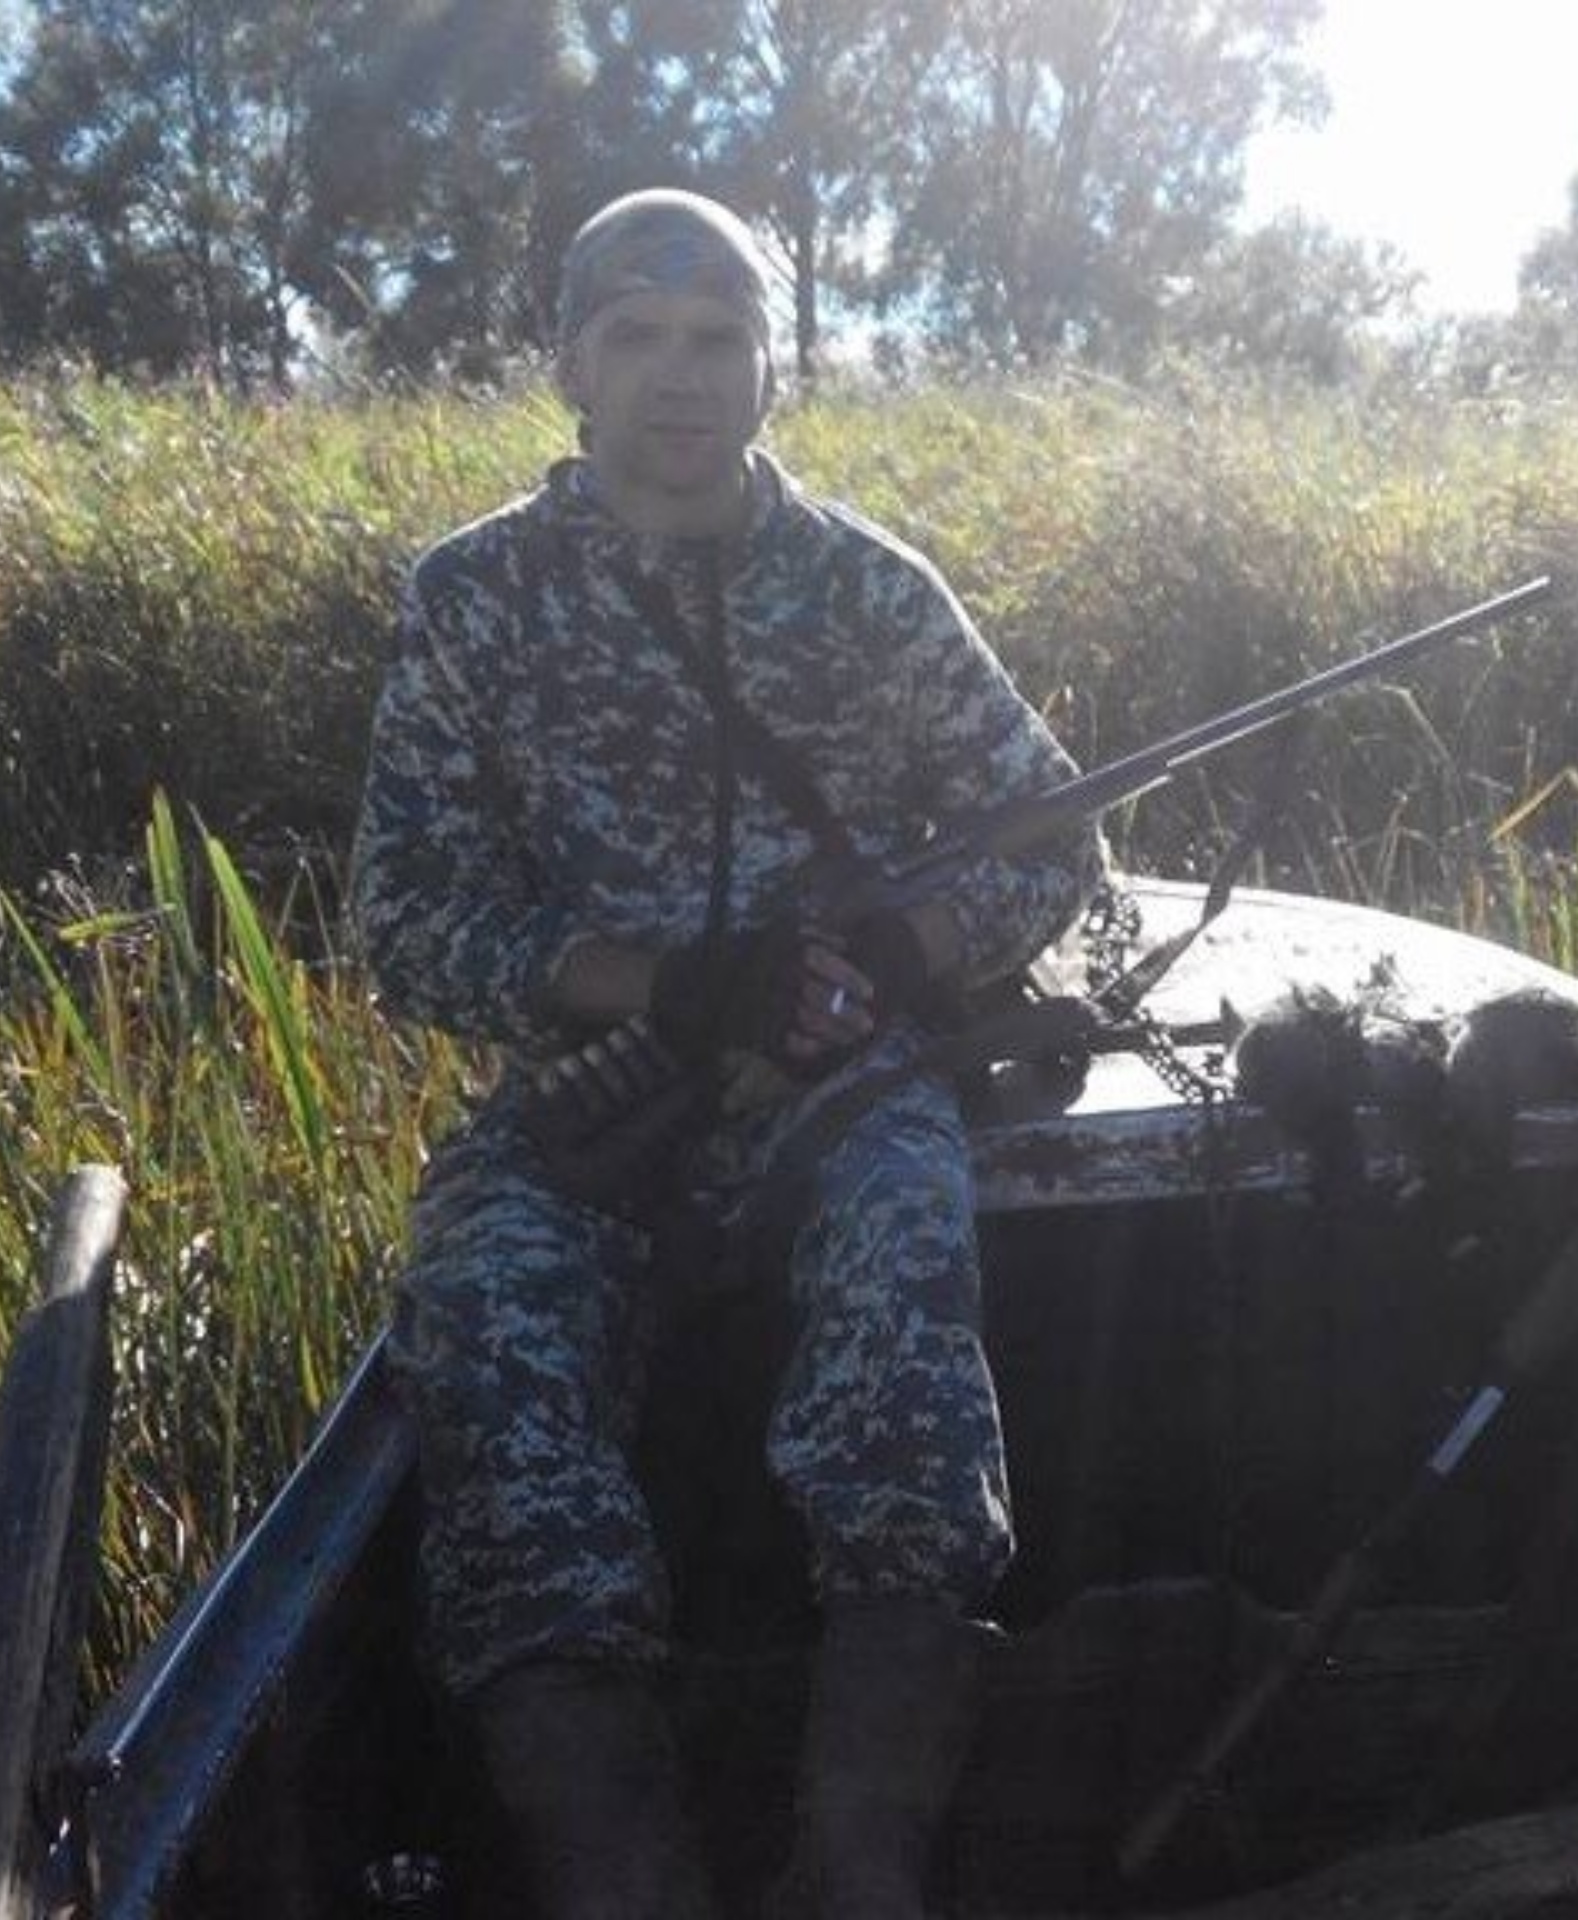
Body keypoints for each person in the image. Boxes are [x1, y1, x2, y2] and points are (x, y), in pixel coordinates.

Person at [348, 187, 1101, 1919]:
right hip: (592, 1112)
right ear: (570, 367)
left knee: (913, 1242)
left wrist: (892, 965)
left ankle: (860, 1864)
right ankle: (626, 1877)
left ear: (772, 367)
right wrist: (667, 987)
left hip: (837, 1099)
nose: (681, 380)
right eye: (638, 338)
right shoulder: (474, 603)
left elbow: (1052, 841)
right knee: (484, 1324)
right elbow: (410, 924)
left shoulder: (868, 589)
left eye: (719, 341)